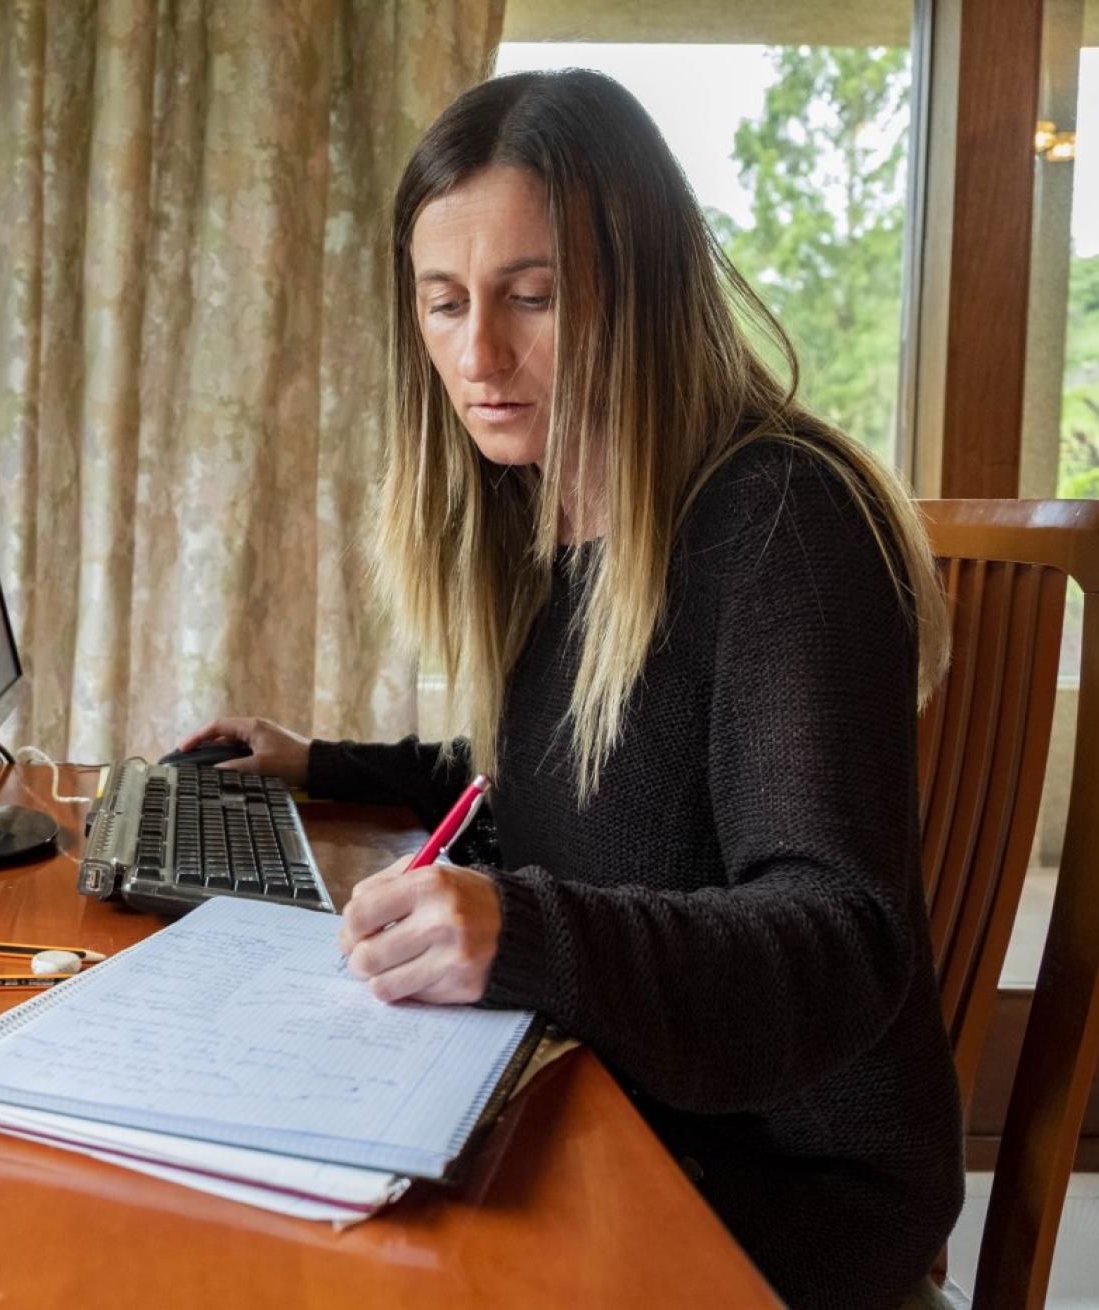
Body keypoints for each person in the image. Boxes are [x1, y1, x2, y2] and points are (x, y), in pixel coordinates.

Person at [178, 70, 964, 1310]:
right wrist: (321, 762)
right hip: (626, 1099)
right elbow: (561, 777)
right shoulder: (559, 516)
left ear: (643, 288)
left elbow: (841, 933)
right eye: (444, 305)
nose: (480, 353)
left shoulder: (783, 523)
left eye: (532, 297)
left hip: (780, 1179)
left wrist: (524, 929)